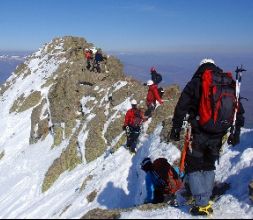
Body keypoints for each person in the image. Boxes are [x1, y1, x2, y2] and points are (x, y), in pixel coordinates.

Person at [169, 58, 245, 216]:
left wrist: (176, 128)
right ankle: (203, 194)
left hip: (198, 132)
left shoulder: (196, 82)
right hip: (218, 134)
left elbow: (181, 107)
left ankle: (201, 203)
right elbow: (239, 111)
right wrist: (236, 133)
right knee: (209, 164)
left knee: (195, 166)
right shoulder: (228, 82)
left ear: (200, 67)